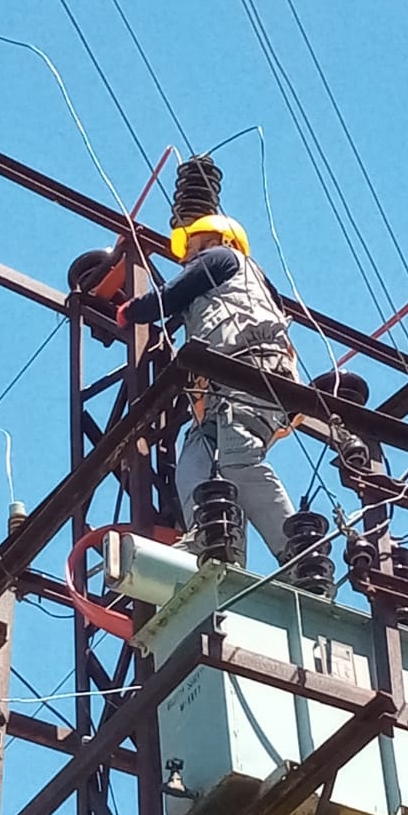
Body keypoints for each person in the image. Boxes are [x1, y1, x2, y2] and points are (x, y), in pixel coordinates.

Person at [116, 213, 298, 561]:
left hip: (250, 371)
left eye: (191, 244)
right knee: (194, 462)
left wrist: (130, 310)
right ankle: (212, 537)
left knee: (238, 460)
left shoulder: (223, 258)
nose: (185, 256)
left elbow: (168, 297)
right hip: (220, 388)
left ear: (217, 238)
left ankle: (296, 552)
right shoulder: (244, 285)